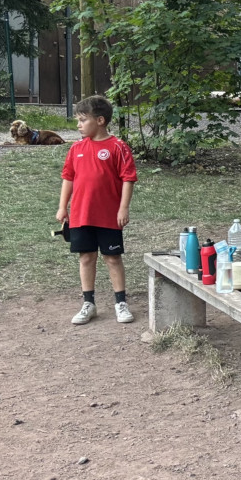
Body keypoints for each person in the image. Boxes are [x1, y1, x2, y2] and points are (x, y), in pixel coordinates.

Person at [57, 95, 138, 326]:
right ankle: (88, 303)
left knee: (112, 258)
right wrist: (63, 207)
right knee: (86, 257)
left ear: (100, 120)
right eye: (78, 120)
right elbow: (68, 178)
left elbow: (128, 179)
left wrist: (123, 209)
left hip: (109, 216)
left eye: (83, 120)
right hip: (81, 215)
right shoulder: (76, 148)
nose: (78, 125)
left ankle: (120, 303)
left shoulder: (118, 147)